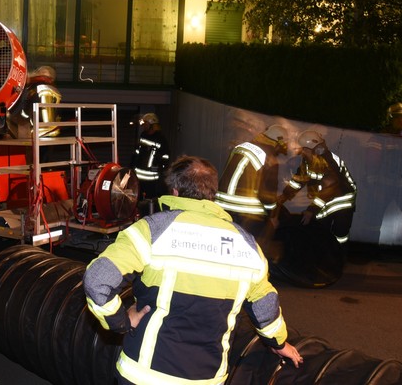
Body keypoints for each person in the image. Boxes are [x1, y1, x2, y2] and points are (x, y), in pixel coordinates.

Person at [83, 155, 303, 385]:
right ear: (212, 194)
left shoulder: (152, 230)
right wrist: (279, 343)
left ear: (175, 191)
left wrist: (122, 321)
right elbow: (265, 306)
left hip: (144, 375)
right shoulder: (248, 246)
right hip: (206, 379)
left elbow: (98, 280)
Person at [278, 130, 358, 246]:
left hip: (342, 200)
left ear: (315, 149)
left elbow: (330, 187)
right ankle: (324, 257)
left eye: (305, 149)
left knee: (340, 234)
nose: (302, 152)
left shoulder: (327, 161)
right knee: (321, 230)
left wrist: (311, 210)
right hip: (325, 199)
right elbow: (299, 179)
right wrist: (284, 195)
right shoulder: (308, 161)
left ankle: (338, 256)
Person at [216, 124, 289, 238]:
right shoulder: (270, 158)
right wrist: (272, 217)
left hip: (221, 207)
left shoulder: (241, 147)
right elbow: (268, 194)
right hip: (245, 212)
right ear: (278, 143)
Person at [6, 65, 62, 139]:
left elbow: (25, 112)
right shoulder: (51, 89)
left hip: (39, 131)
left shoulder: (37, 89)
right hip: (48, 130)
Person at [132, 113, 170, 203]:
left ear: (152, 124)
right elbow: (137, 152)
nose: (144, 126)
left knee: (151, 201)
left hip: (152, 179)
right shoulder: (143, 135)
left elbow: (166, 156)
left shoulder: (160, 139)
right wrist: (132, 165)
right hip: (139, 176)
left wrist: (161, 166)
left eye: (146, 123)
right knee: (138, 199)